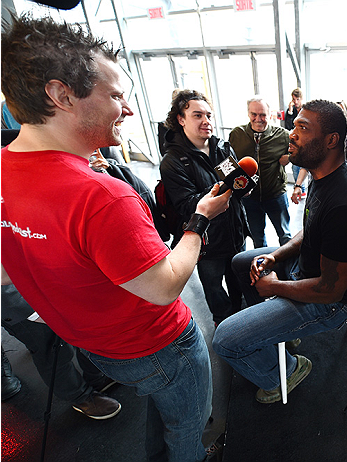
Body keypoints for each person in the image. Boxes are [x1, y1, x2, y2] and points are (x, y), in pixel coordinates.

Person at [1, 14, 231, 462]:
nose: (127, 109)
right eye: (116, 95)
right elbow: (164, 286)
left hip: (94, 344)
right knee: (185, 424)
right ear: (60, 95)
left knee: (163, 413)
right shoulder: (101, 196)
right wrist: (200, 220)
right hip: (159, 345)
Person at [212, 100, 347, 404]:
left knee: (225, 341)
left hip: (328, 304)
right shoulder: (322, 175)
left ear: (331, 140)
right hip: (305, 273)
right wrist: (277, 256)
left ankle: (284, 371)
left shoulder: (346, 203)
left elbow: (330, 291)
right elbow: (308, 230)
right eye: (294, 125)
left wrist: (275, 287)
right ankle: (275, 332)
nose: (292, 133)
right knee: (241, 261)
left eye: (302, 127)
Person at [160, 90, 250, 325]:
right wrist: (223, 189)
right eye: (197, 115)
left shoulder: (222, 148)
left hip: (235, 232)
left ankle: (242, 322)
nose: (206, 121)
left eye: (208, 115)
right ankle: (223, 325)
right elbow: (187, 204)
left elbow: (236, 183)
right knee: (214, 289)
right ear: (181, 119)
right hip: (208, 243)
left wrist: (244, 186)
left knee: (238, 282)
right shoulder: (172, 161)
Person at [1, 284, 121, 419]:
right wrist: (30, 312)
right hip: (13, 297)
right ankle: (79, 395)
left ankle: (98, 377)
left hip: (41, 279)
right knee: (50, 347)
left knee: (82, 325)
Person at [228, 96, 292, 248]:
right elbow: (228, 161)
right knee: (257, 238)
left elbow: (301, 153)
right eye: (254, 114)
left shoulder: (282, 135)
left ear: (269, 114)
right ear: (248, 114)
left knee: (285, 235)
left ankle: (289, 268)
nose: (258, 119)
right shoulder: (237, 134)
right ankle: (262, 268)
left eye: (263, 114)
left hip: (276, 194)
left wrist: (290, 158)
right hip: (250, 198)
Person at [284, 88, 307, 196]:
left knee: (303, 166)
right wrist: (289, 111)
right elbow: (288, 126)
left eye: (297, 99)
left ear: (301, 99)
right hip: (295, 142)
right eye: (294, 99)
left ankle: (302, 188)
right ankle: (301, 188)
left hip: (304, 142)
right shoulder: (292, 110)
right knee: (295, 166)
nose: (295, 102)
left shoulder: (306, 111)